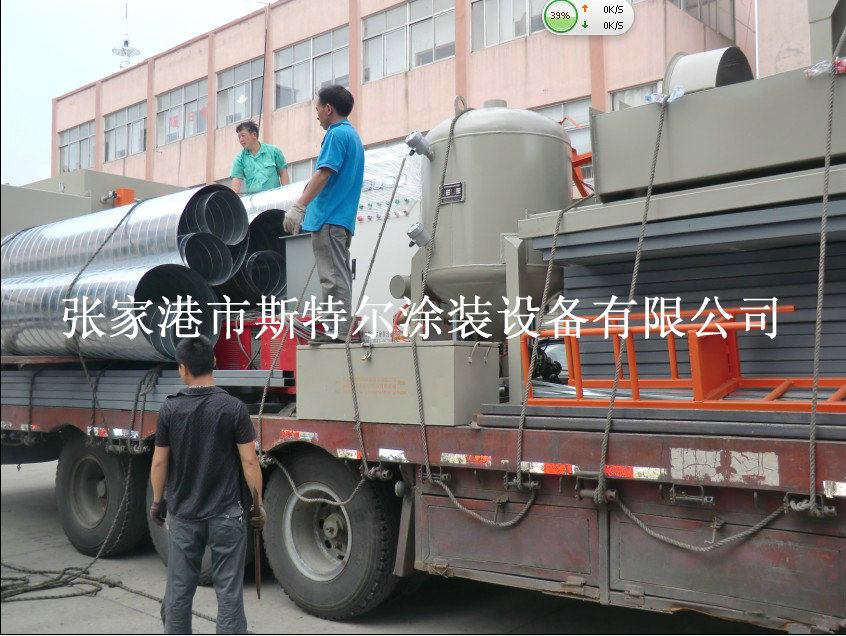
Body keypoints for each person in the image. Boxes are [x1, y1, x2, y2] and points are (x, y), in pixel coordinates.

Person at [149, 336, 265, 634]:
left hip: (184, 515)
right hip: (227, 514)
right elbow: (250, 463)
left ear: (182, 369)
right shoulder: (233, 408)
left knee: (179, 591)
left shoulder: (170, 410)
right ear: (214, 362)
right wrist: (258, 506)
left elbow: (160, 463)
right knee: (228, 593)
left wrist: (158, 501)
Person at [283, 85, 364, 344]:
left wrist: (299, 206)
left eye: (317, 108)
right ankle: (337, 329)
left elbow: (323, 173)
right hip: (340, 218)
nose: (316, 113)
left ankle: (337, 332)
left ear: (328, 109)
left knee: (332, 277)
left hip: (329, 218)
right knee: (337, 274)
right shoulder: (352, 136)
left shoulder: (336, 134)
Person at [230, 120, 289, 193]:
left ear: (254, 135)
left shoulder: (274, 151)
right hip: (254, 198)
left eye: (243, 135)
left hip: (274, 196)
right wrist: (232, 198)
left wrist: (286, 193)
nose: (241, 140)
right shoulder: (239, 159)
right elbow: (236, 180)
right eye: (239, 137)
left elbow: (283, 172)